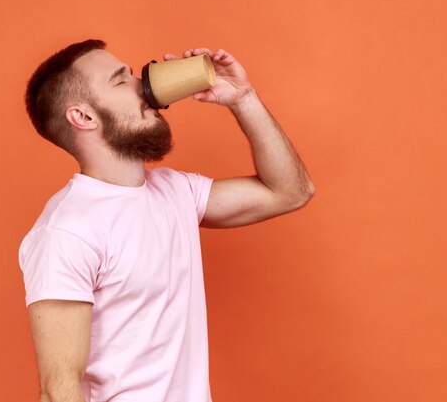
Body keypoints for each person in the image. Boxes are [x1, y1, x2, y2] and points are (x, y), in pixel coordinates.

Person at [18, 38, 314, 402]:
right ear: (83, 116)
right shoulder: (66, 231)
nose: (143, 85)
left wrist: (243, 97)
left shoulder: (176, 192)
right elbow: (59, 390)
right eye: (120, 80)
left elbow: (291, 191)